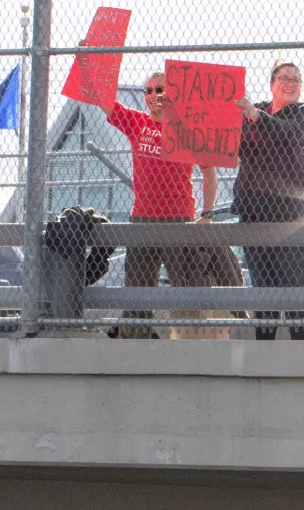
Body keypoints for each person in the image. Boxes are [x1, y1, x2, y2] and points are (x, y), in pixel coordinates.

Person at [90, 70, 214, 339]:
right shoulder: (137, 123)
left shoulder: (187, 128)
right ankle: (134, 347)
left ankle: (193, 348)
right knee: (137, 290)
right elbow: (104, 101)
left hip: (180, 219)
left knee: (187, 289)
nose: (155, 95)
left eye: (161, 89)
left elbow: (209, 171)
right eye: (149, 91)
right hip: (143, 219)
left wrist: (207, 213)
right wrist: (93, 62)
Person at [233, 61, 304, 341]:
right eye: (285, 78)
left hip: (293, 216)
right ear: (272, 83)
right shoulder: (250, 112)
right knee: (263, 291)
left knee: (294, 288)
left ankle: (299, 354)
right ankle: (264, 353)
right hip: (255, 213)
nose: (290, 84)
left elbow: (292, 135)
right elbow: (230, 143)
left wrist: (257, 117)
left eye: (296, 79)